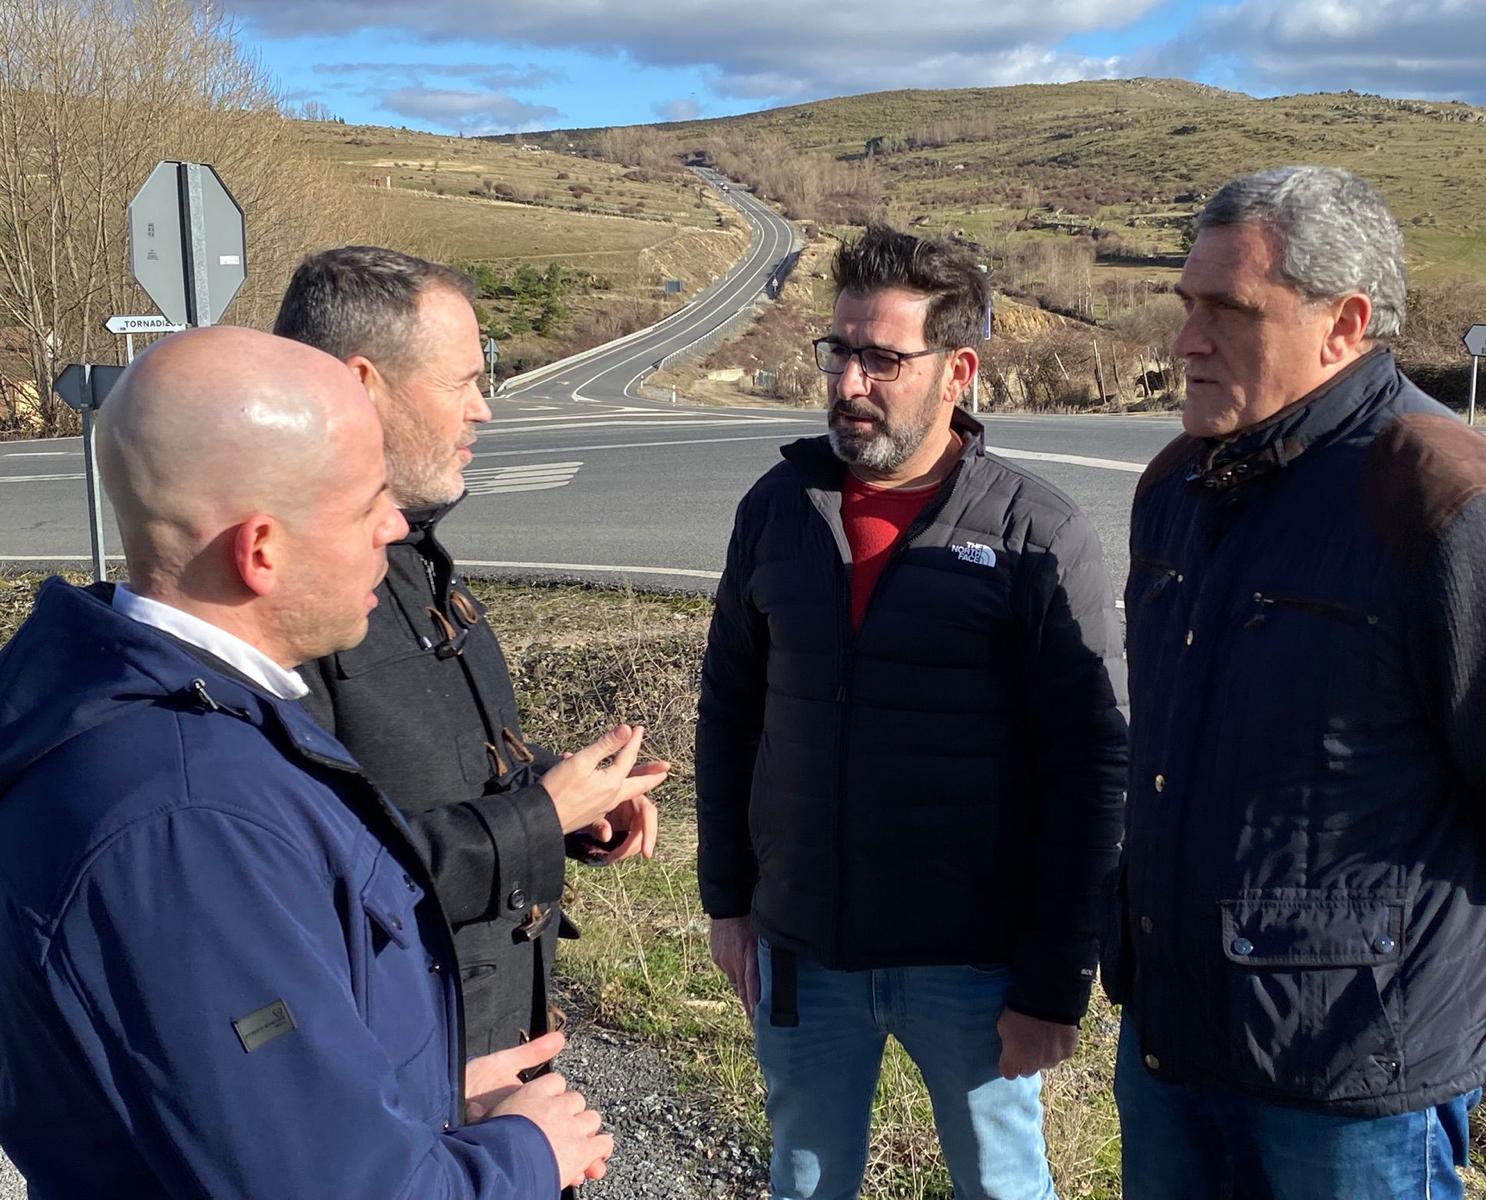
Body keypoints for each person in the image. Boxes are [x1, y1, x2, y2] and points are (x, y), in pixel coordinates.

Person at [0, 327, 615, 1197]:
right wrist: (525, 1154)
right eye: (368, 505)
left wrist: (422, 1097)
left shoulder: (203, 711)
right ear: (262, 551)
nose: (394, 528)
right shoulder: (183, 822)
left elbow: (236, 1104)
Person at [1109, 164, 1486, 1199]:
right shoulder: (1176, 485)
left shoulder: (1443, 496)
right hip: (1170, 1044)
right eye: (1186, 304)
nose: (1186, 340)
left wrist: (1413, 953)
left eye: (1229, 310)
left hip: (1357, 1079)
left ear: (1344, 323)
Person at [696, 224, 1129, 1200]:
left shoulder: (1034, 531)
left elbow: (1091, 767)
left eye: (882, 359)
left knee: (1002, 1187)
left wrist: (1055, 981)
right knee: (804, 1182)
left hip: (973, 965)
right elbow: (729, 711)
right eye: (838, 351)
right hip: (804, 948)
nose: (849, 383)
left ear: (957, 371)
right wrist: (728, 900)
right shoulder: (777, 508)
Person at [273, 246, 667, 1058]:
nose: (483, 410)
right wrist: (539, 816)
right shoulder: (288, 599)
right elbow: (311, 879)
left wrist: (568, 797)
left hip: (490, 1040)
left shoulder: (414, 558)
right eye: (461, 383)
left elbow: (426, 774)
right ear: (362, 386)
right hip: (403, 1062)